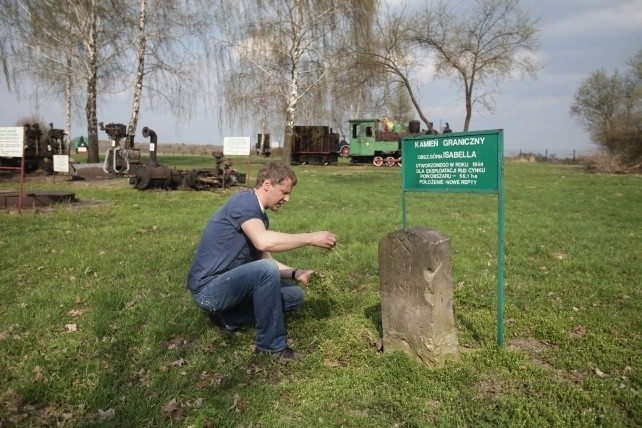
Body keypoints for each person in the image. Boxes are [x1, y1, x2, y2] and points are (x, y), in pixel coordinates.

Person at [187, 162, 337, 363]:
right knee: (265, 272)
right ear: (267, 184)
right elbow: (263, 242)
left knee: (294, 296)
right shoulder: (244, 203)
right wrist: (310, 238)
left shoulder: (258, 216)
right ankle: (271, 347)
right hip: (208, 291)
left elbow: (264, 257)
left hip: (229, 285)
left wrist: (296, 273)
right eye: (284, 192)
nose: (287, 198)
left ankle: (228, 317)